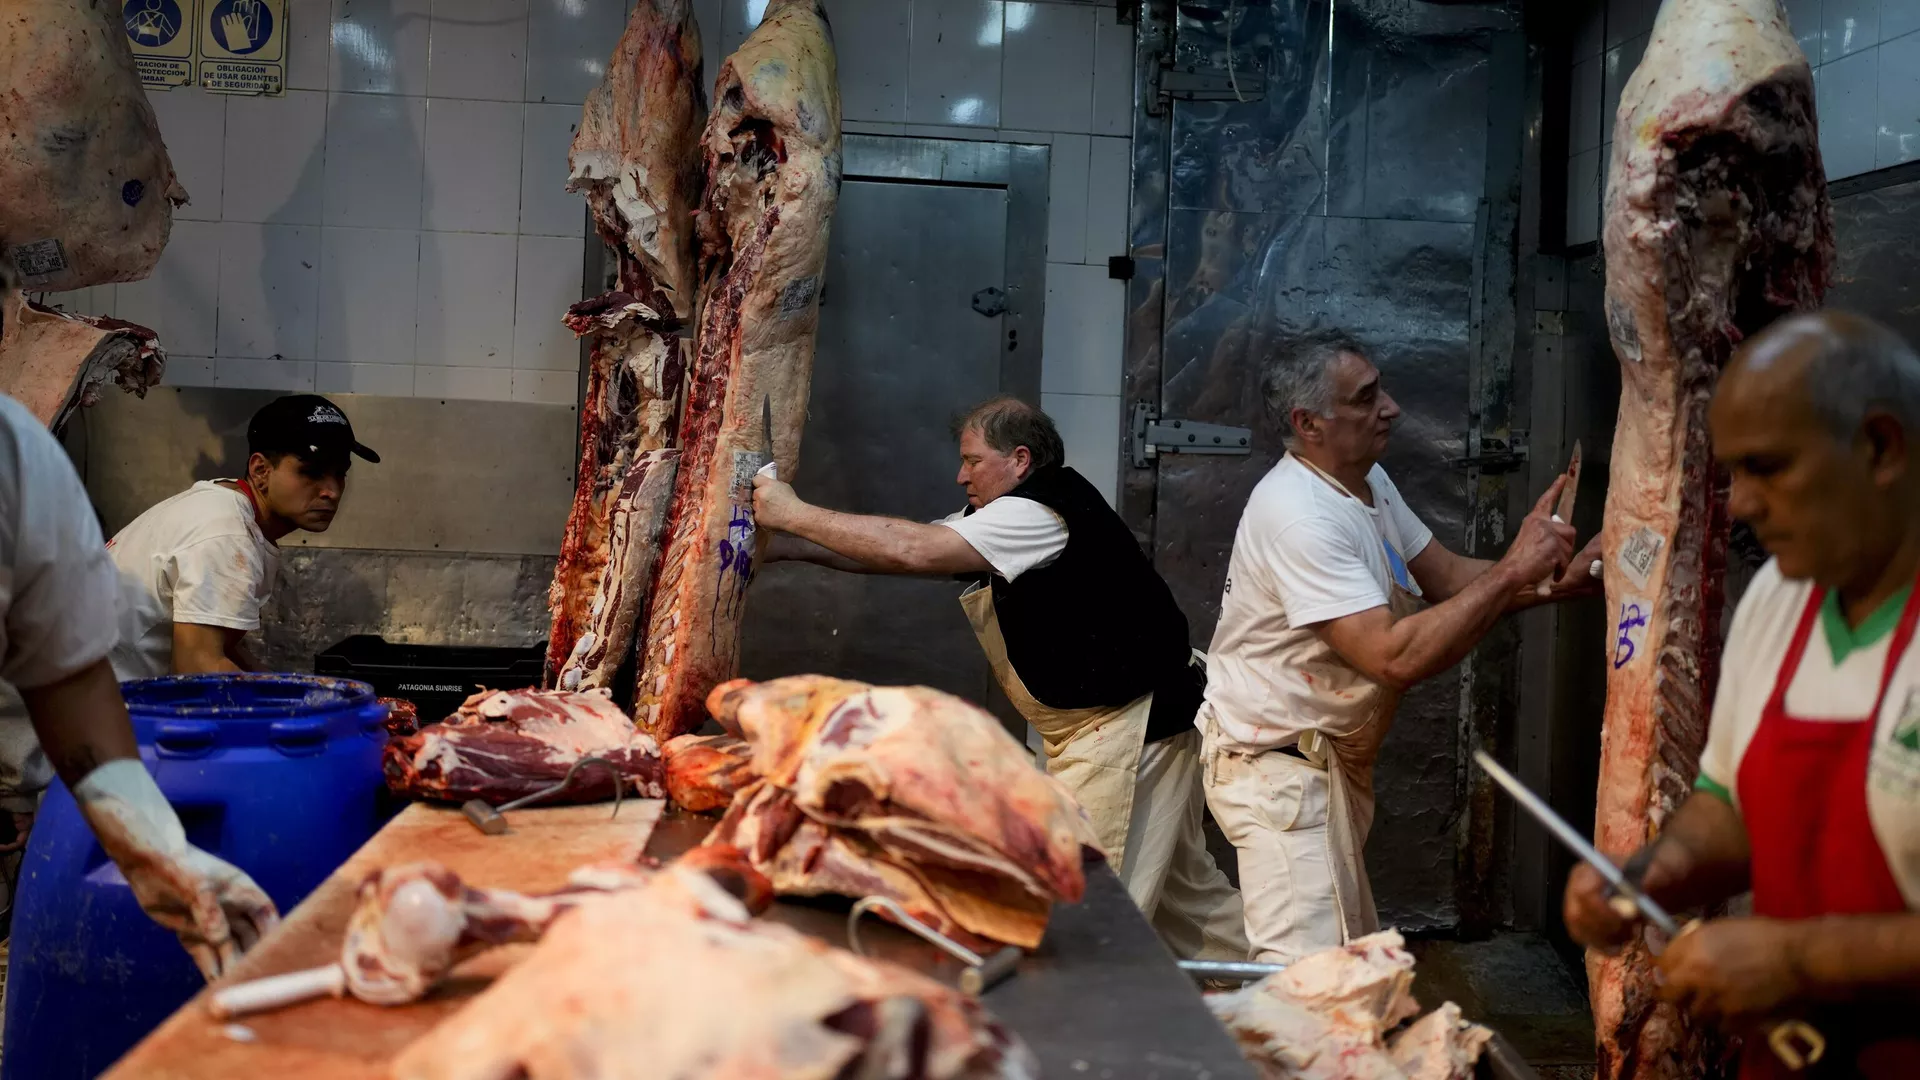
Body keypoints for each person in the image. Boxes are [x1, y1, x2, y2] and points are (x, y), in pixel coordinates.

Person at [752, 396, 1248, 961]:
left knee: (1080, 904)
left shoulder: (1037, 514)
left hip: (1130, 727)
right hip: (1122, 721)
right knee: (1188, 898)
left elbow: (914, 548)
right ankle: (1288, 984)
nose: (960, 474)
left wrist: (791, 512)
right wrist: (783, 549)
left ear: (1018, 459)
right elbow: (891, 552)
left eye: (972, 460)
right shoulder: (1011, 512)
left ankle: (1073, 1030)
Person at [1564, 311, 1920, 1077]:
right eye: (1735, 474)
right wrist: (1656, 871)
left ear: (1881, 447)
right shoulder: (1778, 602)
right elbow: (1730, 807)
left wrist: (1802, 961)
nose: (1744, 505)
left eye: (1769, 468)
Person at [1200, 333, 1601, 963]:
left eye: (1380, 389)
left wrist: (1552, 579)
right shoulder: (1300, 515)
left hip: (1326, 768)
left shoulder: (1365, 481)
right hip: (1278, 772)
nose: (1390, 408)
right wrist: (1513, 570)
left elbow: (1443, 576)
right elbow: (1392, 656)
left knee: (1344, 975)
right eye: (1365, 399)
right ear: (1309, 423)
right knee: (1310, 988)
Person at [0, 390, 275, 976]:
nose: (331, 490)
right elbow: (200, 668)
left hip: (37, 749)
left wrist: (153, 848)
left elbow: (66, 673)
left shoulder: (24, 459)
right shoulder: (219, 528)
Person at [107, 393, 377, 680]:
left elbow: (220, 648)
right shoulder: (226, 532)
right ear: (260, 470)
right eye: (311, 472)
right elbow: (198, 671)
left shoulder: (227, 509)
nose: (332, 491)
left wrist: (291, 693)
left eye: (340, 474)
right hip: (96, 709)